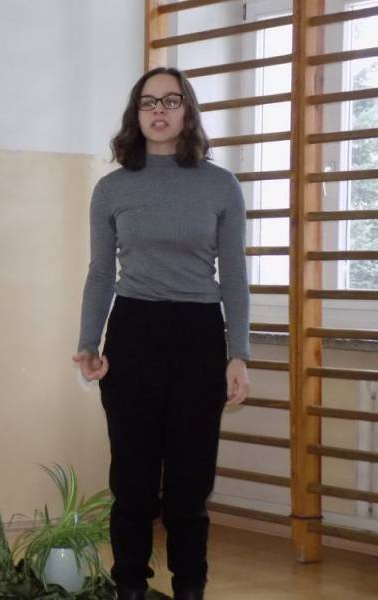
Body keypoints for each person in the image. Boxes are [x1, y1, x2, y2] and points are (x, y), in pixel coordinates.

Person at [73, 67, 250, 600]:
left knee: (190, 486)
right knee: (132, 480)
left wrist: (239, 353)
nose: (159, 111)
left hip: (199, 336)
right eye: (148, 102)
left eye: (171, 101)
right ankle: (129, 585)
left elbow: (234, 274)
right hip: (133, 333)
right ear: (136, 113)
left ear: (188, 110)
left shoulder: (221, 185)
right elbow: (101, 273)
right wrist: (88, 342)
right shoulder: (112, 189)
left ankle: (190, 587)